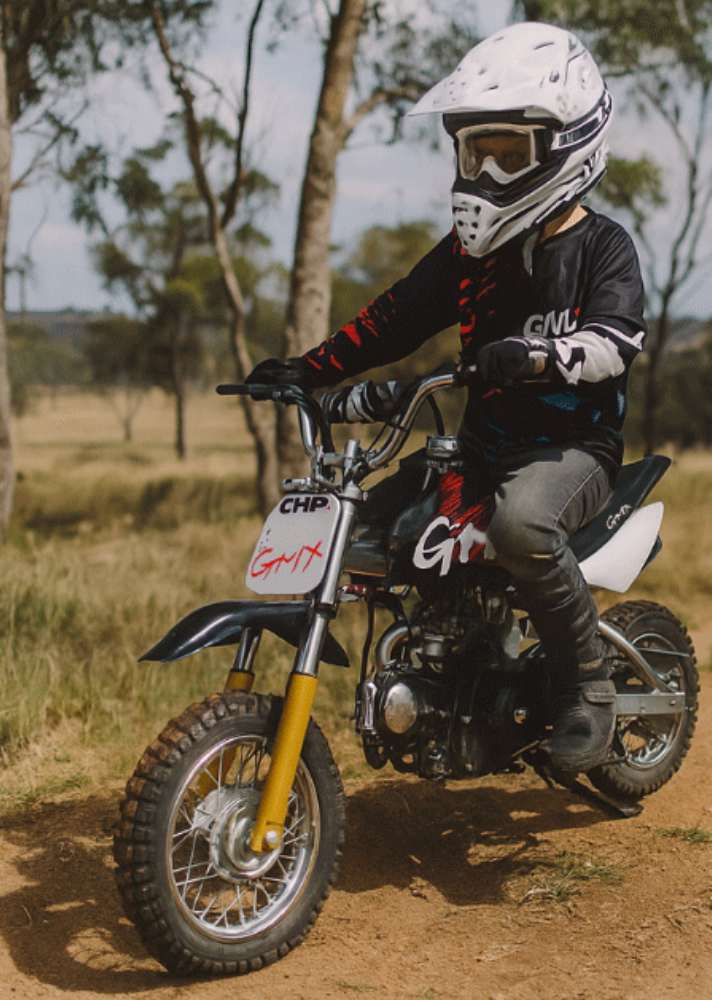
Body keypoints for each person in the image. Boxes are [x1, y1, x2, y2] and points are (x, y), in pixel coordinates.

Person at [249, 22, 646, 773]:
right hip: (482, 448)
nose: (488, 175)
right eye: (476, 152)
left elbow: (615, 341)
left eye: (509, 154)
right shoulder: (468, 255)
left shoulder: (602, 246)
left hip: (571, 452)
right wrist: (309, 368)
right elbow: (391, 320)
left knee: (523, 526)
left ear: (567, 145)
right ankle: (439, 679)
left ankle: (586, 692)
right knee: (376, 527)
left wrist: (539, 356)